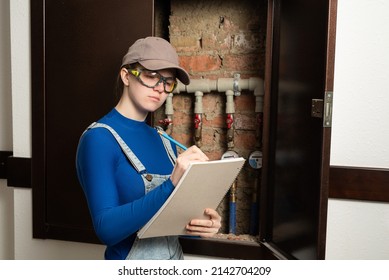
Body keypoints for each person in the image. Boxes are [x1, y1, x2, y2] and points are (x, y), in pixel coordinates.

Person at [76, 37, 221, 260]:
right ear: (126, 76)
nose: (160, 89)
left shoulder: (165, 141)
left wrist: (202, 226)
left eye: (168, 82)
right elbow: (106, 230)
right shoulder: (99, 139)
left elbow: (169, 222)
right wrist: (172, 183)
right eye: (151, 76)